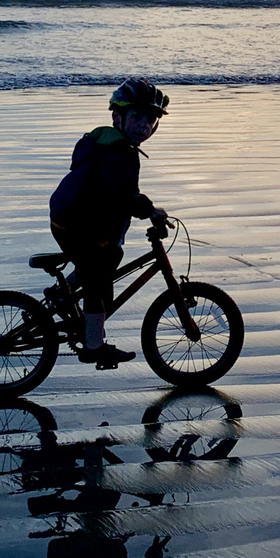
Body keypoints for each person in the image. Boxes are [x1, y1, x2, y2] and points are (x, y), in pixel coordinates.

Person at [49, 79, 170, 369]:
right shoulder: (115, 152)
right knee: (98, 284)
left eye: (150, 120)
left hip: (76, 220)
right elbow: (123, 194)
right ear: (117, 117)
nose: (144, 125)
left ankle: (61, 294)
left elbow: (118, 196)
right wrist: (150, 210)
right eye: (137, 117)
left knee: (110, 255)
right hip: (76, 224)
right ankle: (94, 346)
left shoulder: (116, 145)